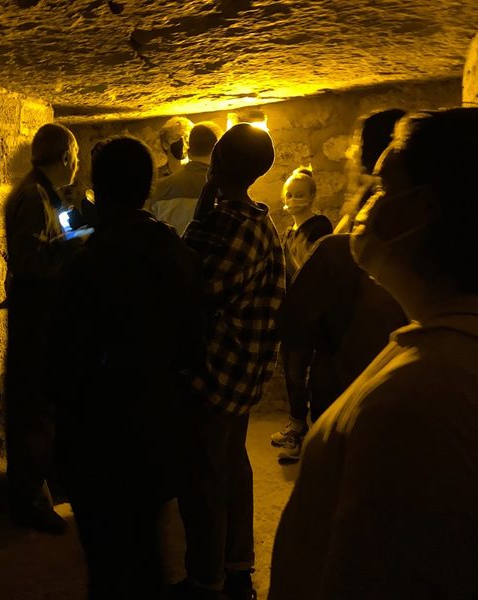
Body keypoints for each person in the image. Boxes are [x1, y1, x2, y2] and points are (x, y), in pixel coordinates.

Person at [270, 107, 478, 599]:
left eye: (383, 186)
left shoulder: (421, 400)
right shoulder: (439, 345)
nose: (367, 204)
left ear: (424, 208)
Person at [52, 136, 204, 599]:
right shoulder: (180, 254)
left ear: (97, 189)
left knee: (106, 559)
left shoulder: (86, 262)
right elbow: (194, 346)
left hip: (99, 435)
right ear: (147, 188)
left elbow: (66, 363)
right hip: (158, 427)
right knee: (146, 547)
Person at [174, 124, 285, 600]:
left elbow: (191, 288)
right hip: (243, 372)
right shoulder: (259, 220)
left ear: (218, 161)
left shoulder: (226, 224)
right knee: (233, 466)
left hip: (215, 371)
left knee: (204, 479)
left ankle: (206, 580)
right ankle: (237, 565)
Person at [271, 110, 407, 461]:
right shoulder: (373, 218)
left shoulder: (354, 228)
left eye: (355, 146)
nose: (349, 154)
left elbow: (299, 312)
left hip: (350, 359)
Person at [4, 123, 83, 534]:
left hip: (40, 318)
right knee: (33, 409)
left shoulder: (42, 192)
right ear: (67, 156)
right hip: (35, 320)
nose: (77, 164)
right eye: (76, 157)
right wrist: (76, 245)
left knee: (40, 406)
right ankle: (29, 502)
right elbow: (29, 261)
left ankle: (43, 489)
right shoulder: (34, 197)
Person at [149, 121, 224, 234]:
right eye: (175, 137)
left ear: (189, 152)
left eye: (184, 137)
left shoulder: (159, 187)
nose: (180, 142)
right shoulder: (224, 188)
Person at [278, 167, 332, 283]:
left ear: (311, 197)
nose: (293, 200)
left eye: (300, 195)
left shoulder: (319, 227)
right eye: (289, 195)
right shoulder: (288, 234)